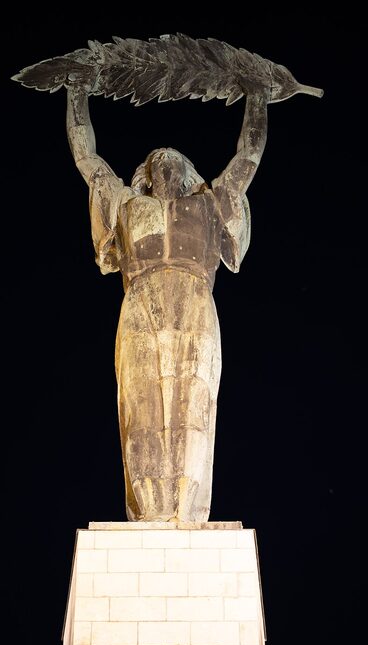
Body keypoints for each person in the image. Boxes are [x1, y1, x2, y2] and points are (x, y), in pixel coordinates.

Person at [66, 86, 268, 522]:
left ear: (187, 171)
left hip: (195, 301)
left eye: (174, 162)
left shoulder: (209, 205)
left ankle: (189, 512)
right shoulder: (127, 205)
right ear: (147, 173)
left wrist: (258, 98)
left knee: (193, 404)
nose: (166, 166)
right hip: (141, 300)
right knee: (140, 405)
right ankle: (149, 513)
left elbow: (246, 160)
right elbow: (90, 163)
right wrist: (76, 94)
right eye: (158, 163)